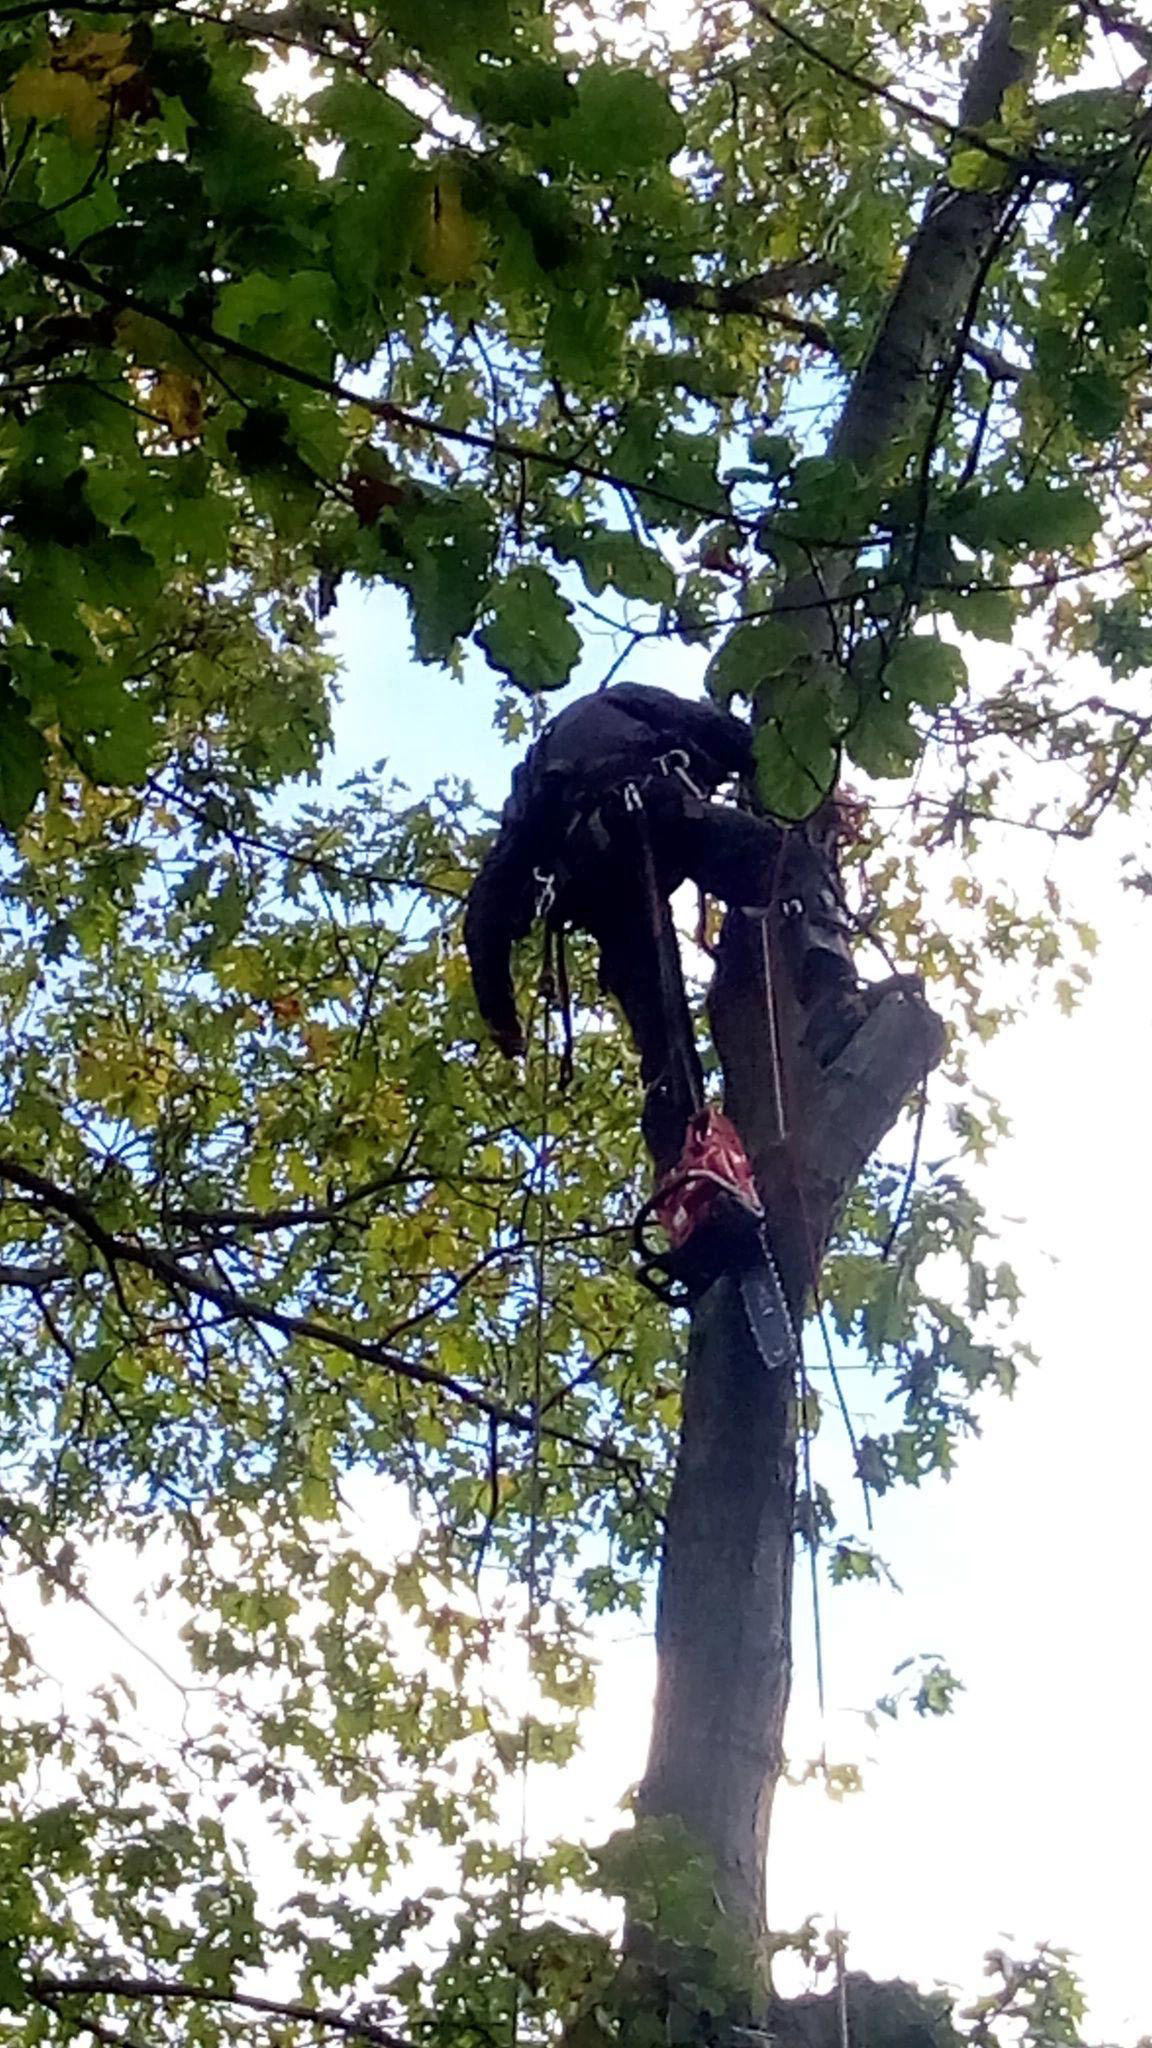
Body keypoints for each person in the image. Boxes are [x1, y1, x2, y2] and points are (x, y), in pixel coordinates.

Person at [464, 683, 863, 1175]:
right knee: (792, 866)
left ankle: (685, 1172)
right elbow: (724, 734)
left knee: (664, 1044)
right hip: (655, 814)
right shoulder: (621, 702)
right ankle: (831, 999)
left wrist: (500, 1014)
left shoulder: (532, 792)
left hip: (601, 887)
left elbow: (486, 909)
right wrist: (813, 793)